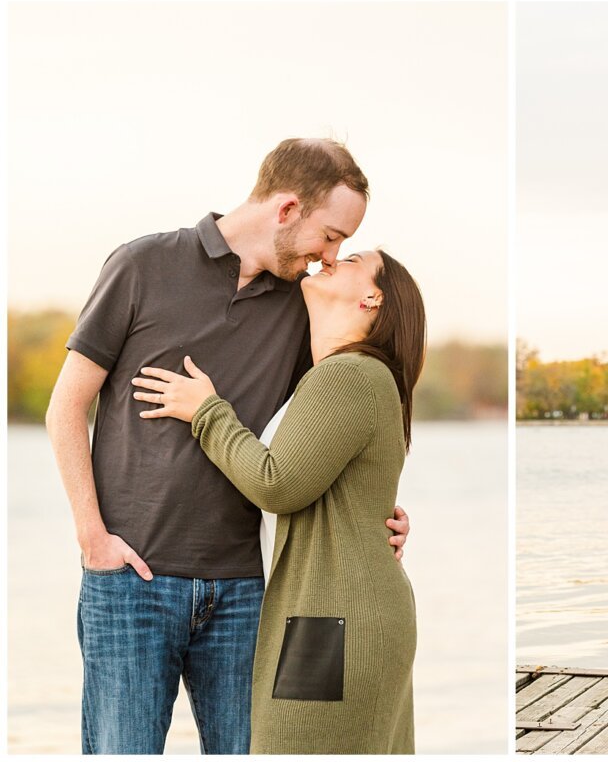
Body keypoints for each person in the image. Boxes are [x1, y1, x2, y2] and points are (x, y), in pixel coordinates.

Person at [45, 139, 410, 754]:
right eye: (330, 236)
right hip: (130, 580)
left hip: (244, 591)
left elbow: (332, 427)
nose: (331, 256)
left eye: (344, 246)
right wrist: (91, 536)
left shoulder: (304, 306)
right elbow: (66, 407)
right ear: (288, 208)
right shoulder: (142, 264)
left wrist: (376, 514)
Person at [131, 248, 424, 753]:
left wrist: (206, 412)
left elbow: (277, 483)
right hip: (343, 617)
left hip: (332, 625)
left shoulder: (347, 374)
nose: (330, 258)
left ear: (372, 298)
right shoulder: (350, 376)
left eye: (350, 258)